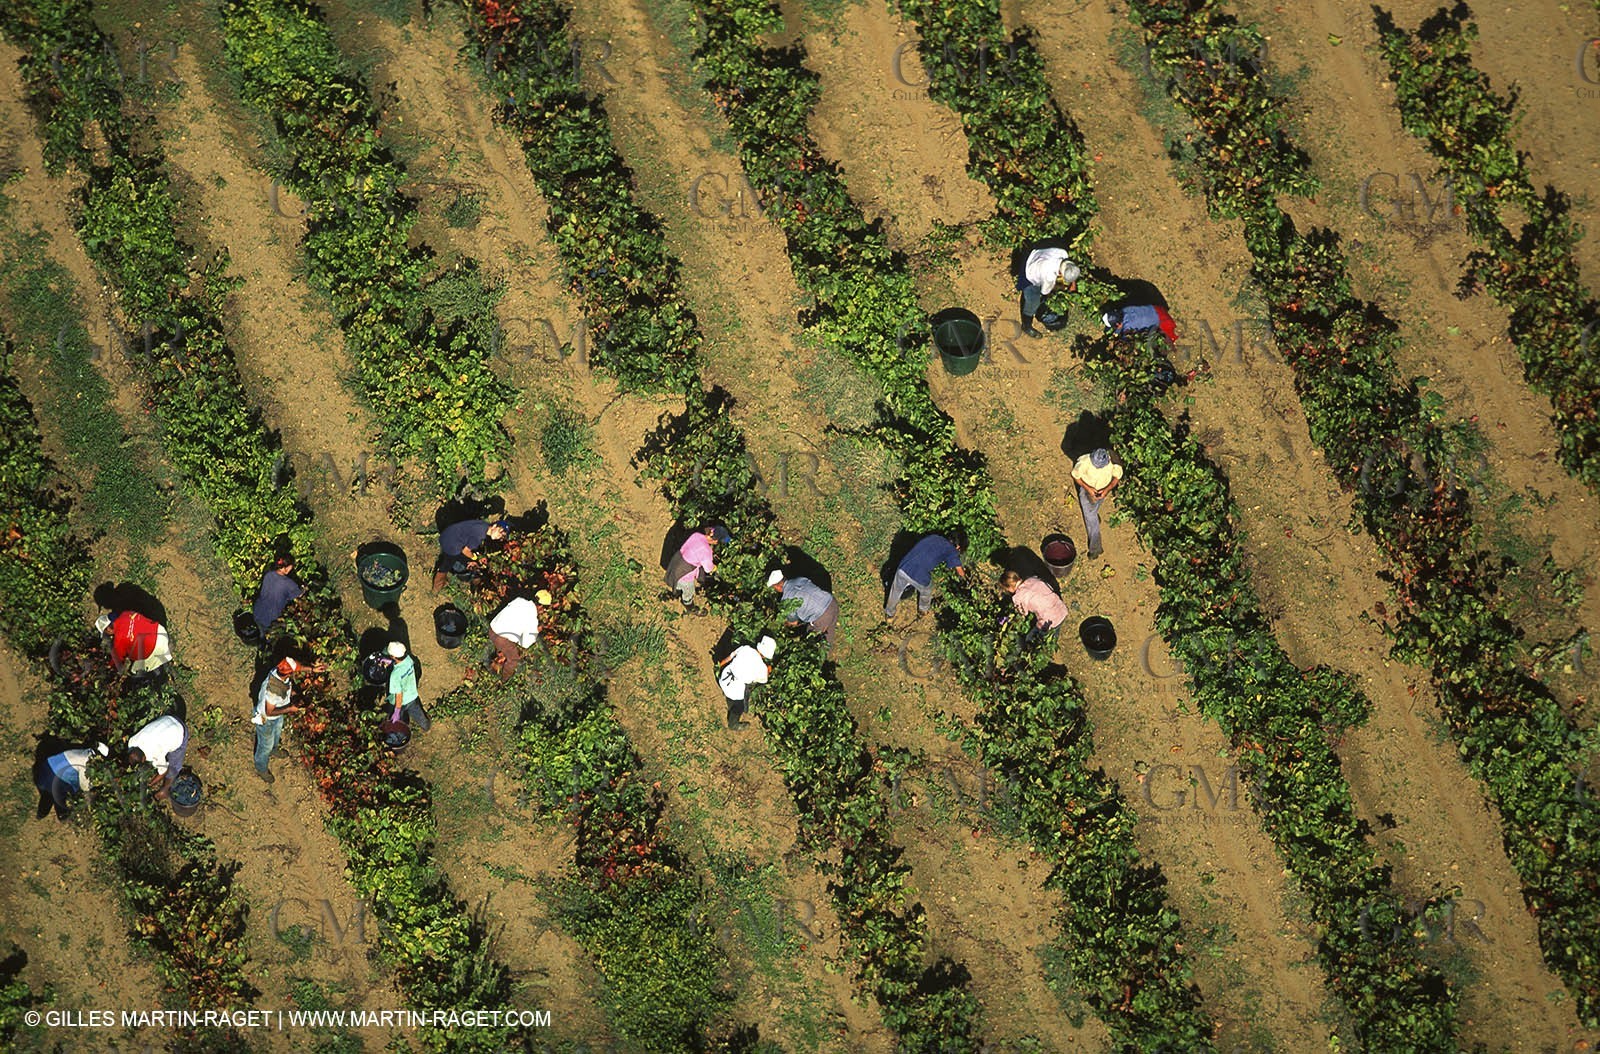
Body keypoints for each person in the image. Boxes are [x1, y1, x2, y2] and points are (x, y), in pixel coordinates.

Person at [884, 531, 968, 619]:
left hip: (903, 566)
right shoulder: (951, 550)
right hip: (917, 573)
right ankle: (923, 610)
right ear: (958, 546)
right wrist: (965, 581)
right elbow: (960, 571)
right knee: (927, 588)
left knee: (896, 590)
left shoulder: (934, 536)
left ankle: (889, 613)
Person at [254, 657, 306, 783]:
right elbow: (268, 711)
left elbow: (297, 668)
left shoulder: (278, 670)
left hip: (277, 716)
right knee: (265, 745)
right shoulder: (273, 692)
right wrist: (289, 708)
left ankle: (274, 749)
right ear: (289, 673)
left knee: (277, 733)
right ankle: (261, 767)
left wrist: (314, 669)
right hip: (266, 719)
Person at [1015, 238, 1080, 337]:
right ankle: (1026, 325)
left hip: (1035, 253)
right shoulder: (1049, 275)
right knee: (1033, 301)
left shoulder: (1063, 253)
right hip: (1028, 271)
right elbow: (1045, 292)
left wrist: (1072, 281)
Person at [1071, 448, 1124, 560]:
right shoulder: (1084, 461)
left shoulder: (1113, 460)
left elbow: (1117, 477)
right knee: (1091, 518)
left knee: (1093, 512)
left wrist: (1107, 490)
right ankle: (1095, 548)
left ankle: (1094, 514)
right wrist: (1088, 489)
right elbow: (1076, 476)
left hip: (1102, 492)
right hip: (1087, 492)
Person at [34, 742, 109, 819]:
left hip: (47, 767)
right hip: (56, 778)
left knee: (47, 795)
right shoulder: (87, 762)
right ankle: (62, 816)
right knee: (59, 800)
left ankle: (41, 814)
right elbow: (84, 785)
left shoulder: (86, 752)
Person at [488, 590, 550, 681]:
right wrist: (537, 631)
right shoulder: (532, 619)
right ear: (541, 607)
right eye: (545, 609)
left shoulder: (519, 600)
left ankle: (500, 655)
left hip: (492, 629)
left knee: (507, 645)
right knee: (514, 659)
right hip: (501, 639)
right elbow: (525, 644)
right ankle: (504, 680)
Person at [767, 570, 839, 647]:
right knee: (830, 630)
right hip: (831, 602)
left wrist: (784, 624)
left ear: (777, 586)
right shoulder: (799, 579)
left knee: (813, 640)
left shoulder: (786, 600)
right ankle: (828, 647)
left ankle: (821, 654)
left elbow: (793, 623)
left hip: (822, 617)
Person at [433, 518, 510, 590]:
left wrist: (475, 557)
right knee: (448, 563)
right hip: (450, 542)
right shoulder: (480, 535)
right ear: (494, 526)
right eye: (500, 532)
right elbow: (465, 551)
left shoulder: (484, 526)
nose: (499, 536)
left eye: (502, 536)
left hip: (448, 535)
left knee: (466, 560)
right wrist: (475, 558)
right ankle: (437, 586)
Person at [717, 636, 775, 729]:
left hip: (724, 678)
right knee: (740, 706)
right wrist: (768, 670)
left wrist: (719, 669)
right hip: (734, 691)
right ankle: (733, 724)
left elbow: (728, 659)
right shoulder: (762, 668)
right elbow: (764, 680)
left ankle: (727, 697)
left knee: (733, 689)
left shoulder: (745, 648)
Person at [665, 525, 729, 608]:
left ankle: (677, 590)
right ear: (715, 541)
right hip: (685, 573)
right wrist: (715, 567)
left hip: (676, 561)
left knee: (676, 579)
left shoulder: (696, 535)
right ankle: (688, 605)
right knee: (689, 590)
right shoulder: (706, 551)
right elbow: (708, 569)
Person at [999, 571, 1068, 646]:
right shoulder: (1032, 579)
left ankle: (1042, 646)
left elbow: (1023, 613)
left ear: (1009, 587)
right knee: (1056, 628)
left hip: (1048, 621)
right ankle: (1053, 639)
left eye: (1007, 590)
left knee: (1030, 639)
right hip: (1061, 608)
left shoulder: (1018, 597)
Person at [96, 610, 174, 677]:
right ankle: (167, 648)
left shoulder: (119, 640)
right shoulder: (126, 613)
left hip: (156, 648)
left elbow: (117, 662)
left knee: (134, 672)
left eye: (106, 633)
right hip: (160, 631)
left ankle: (160, 671)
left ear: (108, 629)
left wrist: (108, 668)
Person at [127, 715, 187, 800]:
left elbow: (163, 771)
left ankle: (165, 790)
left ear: (144, 758)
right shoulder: (132, 741)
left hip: (180, 732)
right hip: (168, 718)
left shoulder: (155, 754)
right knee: (164, 747)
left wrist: (151, 783)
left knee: (173, 767)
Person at [252, 557, 304, 634]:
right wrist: (304, 588)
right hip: (271, 616)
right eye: (291, 567)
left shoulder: (268, 574)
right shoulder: (289, 583)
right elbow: (299, 594)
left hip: (257, 609)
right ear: (286, 568)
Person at [386, 642, 428, 732]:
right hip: (412, 696)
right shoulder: (409, 659)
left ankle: (400, 731)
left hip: (401, 703)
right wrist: (390, 662)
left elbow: (399, 695)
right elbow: (402, 666)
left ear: (393, 657)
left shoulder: (395, 675)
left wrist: (397, 711)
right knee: (418, 714)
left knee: (398, 721)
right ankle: (426, 726)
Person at [1103, 304, 1178, 347]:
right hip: (1157, 308)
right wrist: (1116, 333)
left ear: (1117, 324)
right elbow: (1121, 324)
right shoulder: (1125, 309)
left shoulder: (1128, 327)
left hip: (1163, 321)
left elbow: (1126, 341)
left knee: (1169, 342)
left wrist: (1115, 342)